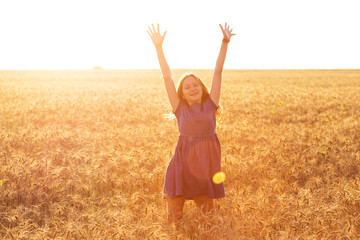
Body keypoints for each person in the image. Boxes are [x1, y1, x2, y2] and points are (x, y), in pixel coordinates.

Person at [147, 23, 235, 226]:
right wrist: (159, 48)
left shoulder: (211, 104)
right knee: (174, 220)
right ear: (182, 93)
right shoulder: (179, 108)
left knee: (209, 220)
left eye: (195, 84)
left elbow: (218, 73)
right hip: (180, 166)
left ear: (202, 88)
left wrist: (225, 42)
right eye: (187, 87)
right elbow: (167, 77)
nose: (193, 88)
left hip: (204, 166)